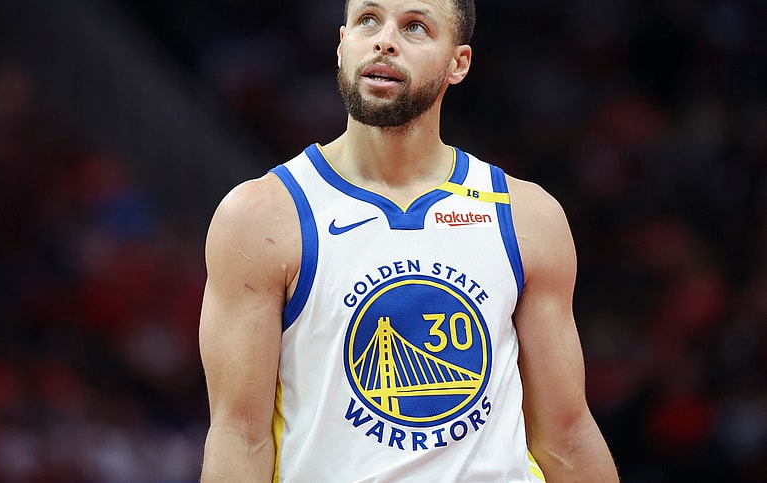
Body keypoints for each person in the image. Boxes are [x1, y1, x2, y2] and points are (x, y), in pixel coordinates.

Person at [199, 0, 618, 480]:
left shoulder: (526, 216)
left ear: (457, 63)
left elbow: (565, 438)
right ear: (341, 46)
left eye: (415, 27)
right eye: (368, 21)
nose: (384, 40)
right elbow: (239, 437)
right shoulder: (261, 218)